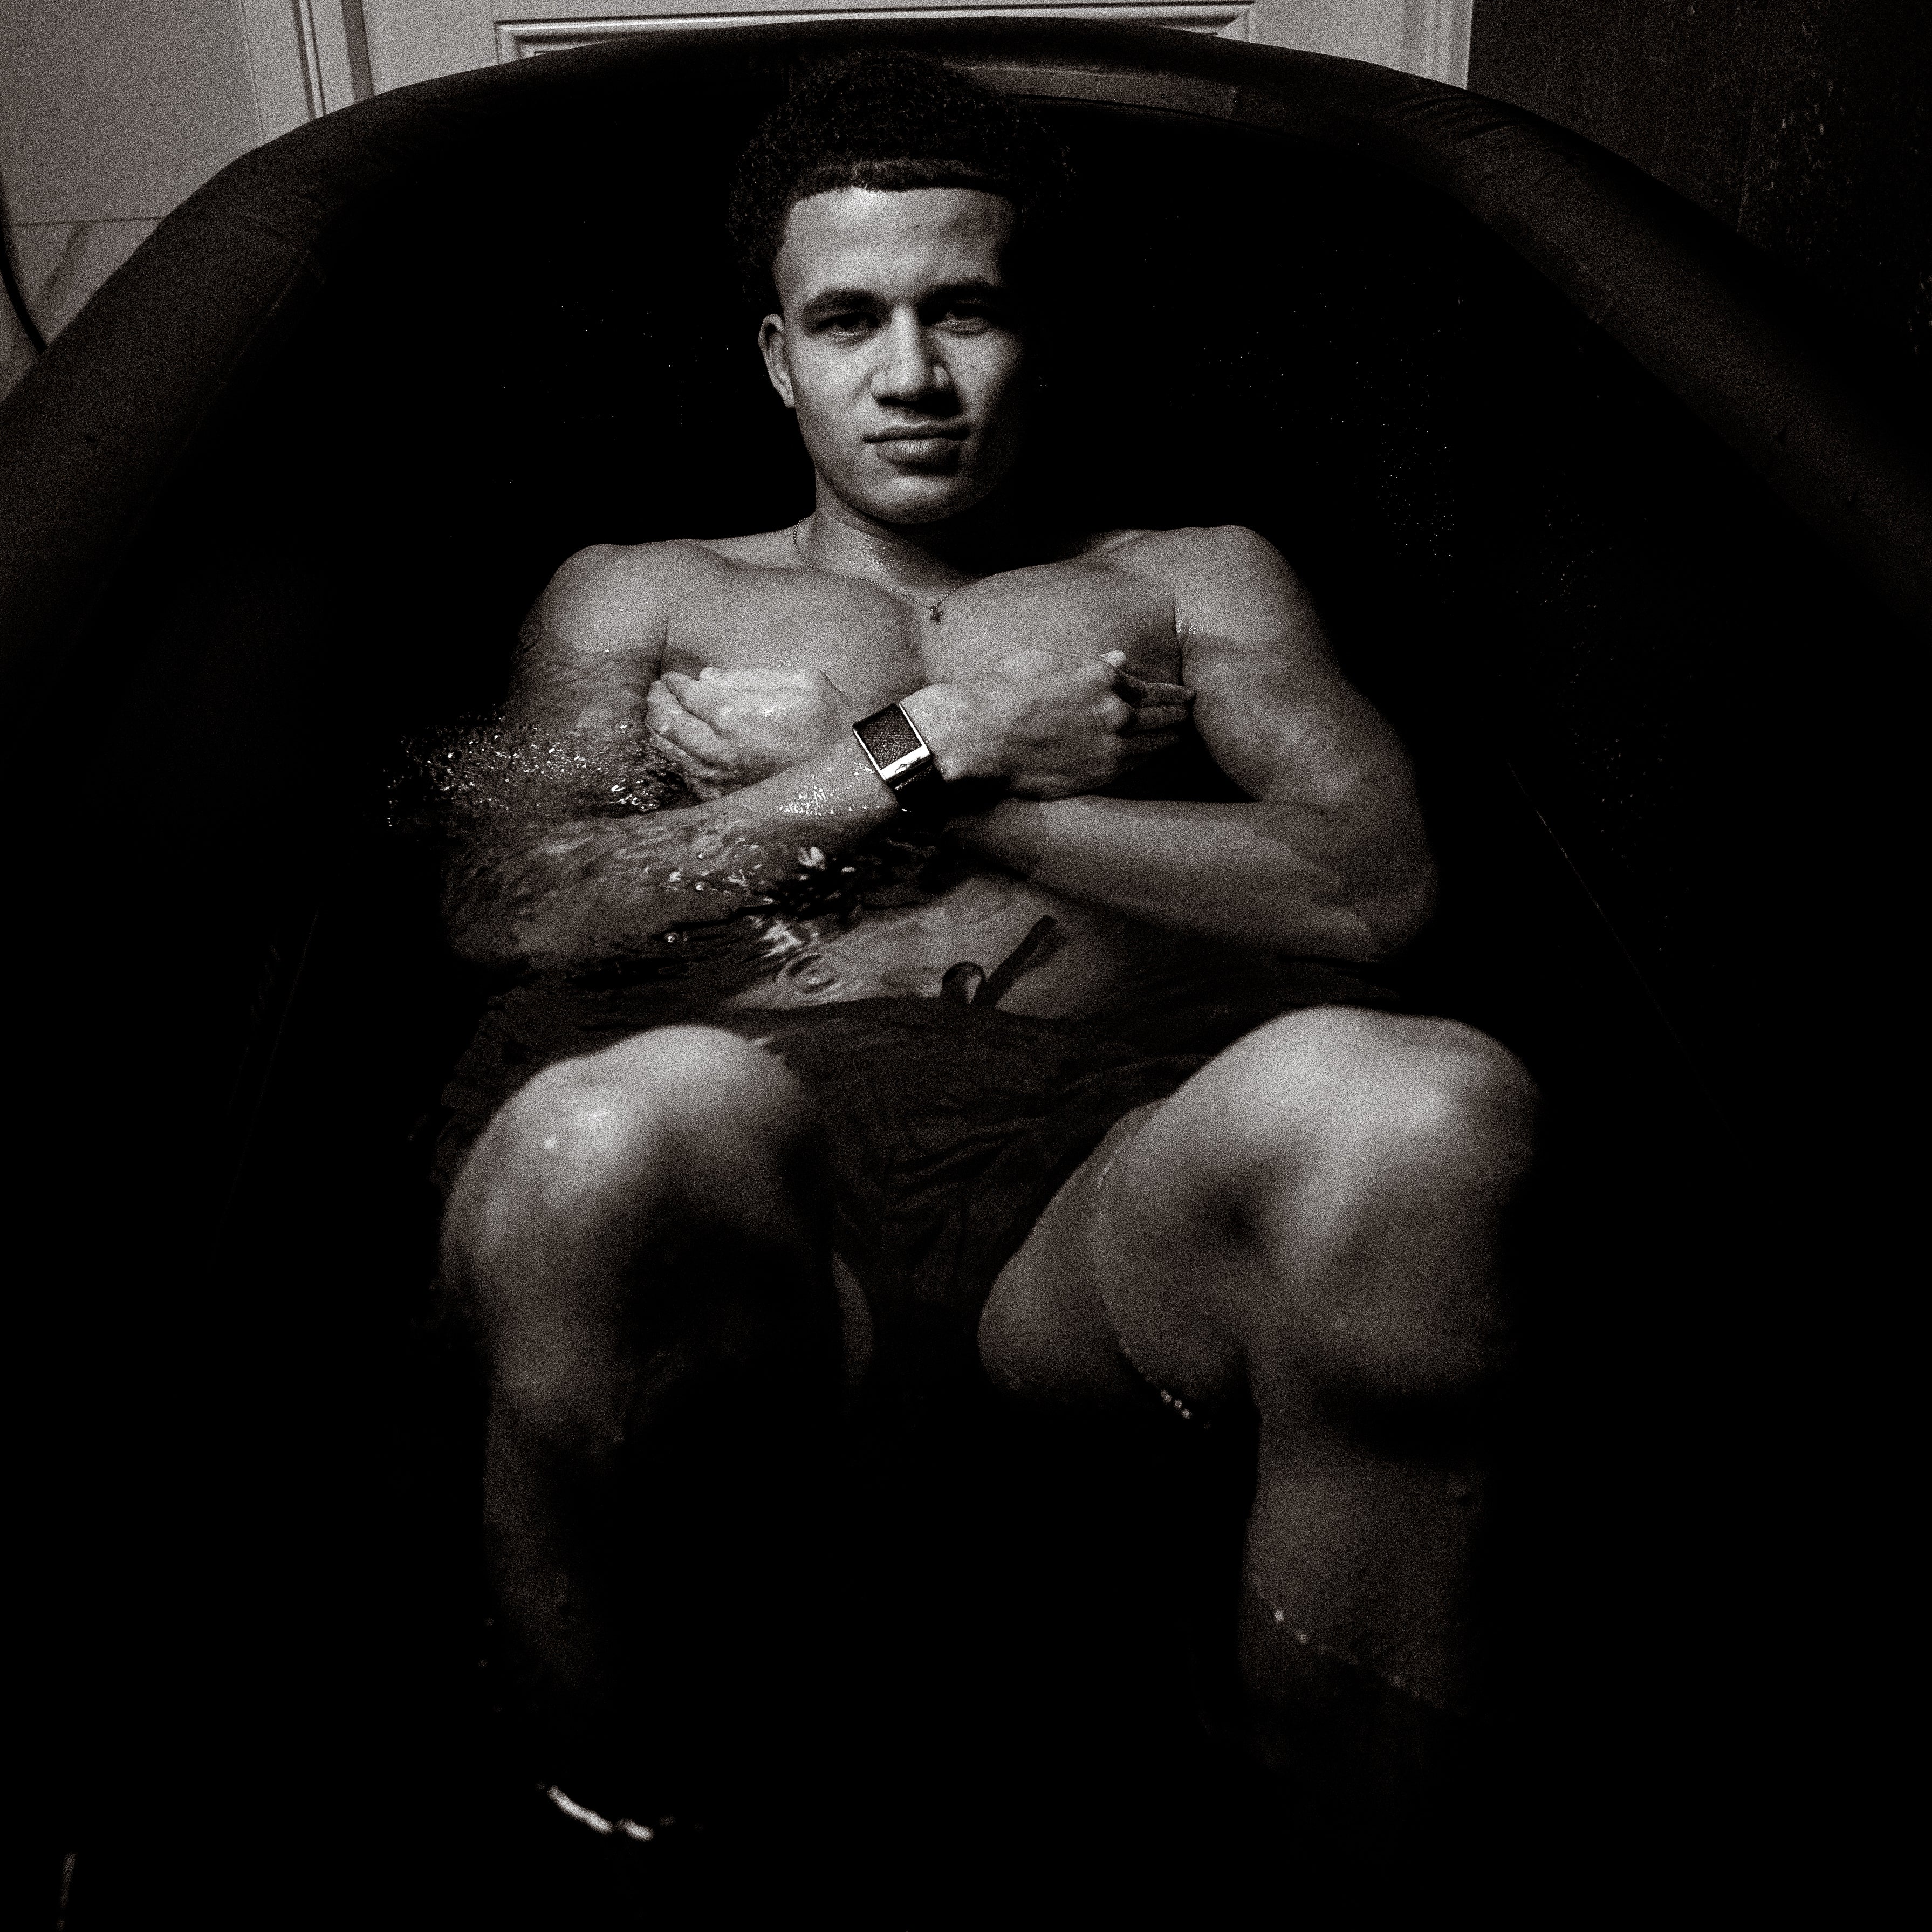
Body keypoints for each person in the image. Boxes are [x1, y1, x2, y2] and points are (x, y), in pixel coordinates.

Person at [433, 50, 1536, 1867]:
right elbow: (510, 901)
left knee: (1430, 1114)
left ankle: (1355, 1874)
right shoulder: (644, 592)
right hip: (760, 1206)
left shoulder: (1191, 577)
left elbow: (1375, 886)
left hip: (1103, 1205)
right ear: (777, 356)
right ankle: (611, 1857)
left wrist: (958, 798)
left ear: (1045, 328)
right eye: (849, 320)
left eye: (966, 310)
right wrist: (924, 741)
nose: (914, 376)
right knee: (593, 1145)